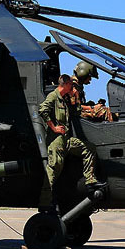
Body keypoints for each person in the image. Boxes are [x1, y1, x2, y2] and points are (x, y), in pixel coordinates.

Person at [38, 74, 99, 212]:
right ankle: (45, 202)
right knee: (53, 169)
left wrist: (75, 97)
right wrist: (53, 127)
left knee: (89, 148)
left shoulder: (65, 98)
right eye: (71, 84)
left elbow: (76, 112)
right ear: (65, 84)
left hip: (66, 140)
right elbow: (42, 110)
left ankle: (90, 180)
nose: (72, 87)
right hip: (56, 141)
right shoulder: (53, 97)